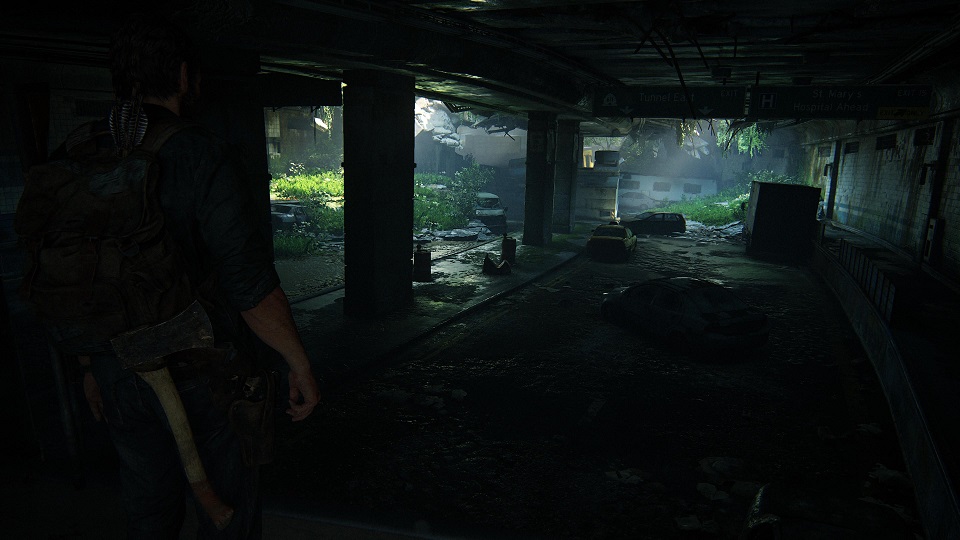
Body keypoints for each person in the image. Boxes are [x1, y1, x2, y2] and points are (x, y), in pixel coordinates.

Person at [71, 14, 320, 538]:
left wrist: (91, 364)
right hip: (204, 378)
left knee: (149, 513)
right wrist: (297, 362)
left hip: (120, 371)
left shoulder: (80, 153)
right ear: (184, 75)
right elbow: (249, 285)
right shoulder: (199, 153)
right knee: (227, 514)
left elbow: (77, 273)